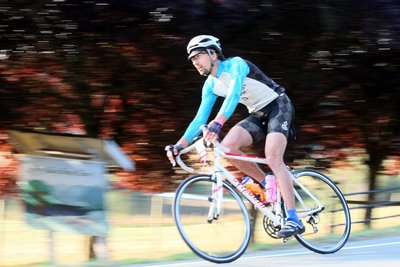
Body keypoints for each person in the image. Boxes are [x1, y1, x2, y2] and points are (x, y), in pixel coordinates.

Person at [166, 35, 304, 238]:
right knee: (228, 149)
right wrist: (179, 145)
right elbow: (199, 119)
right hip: (257, 112)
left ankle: (293, 219)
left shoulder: (235, 65)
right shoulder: (210, 85)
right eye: (192, 59)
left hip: (278, 105)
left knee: (273, 157)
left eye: (198, 56)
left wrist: (217, 123)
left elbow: (233, 94)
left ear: (213, 53)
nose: (195, 62)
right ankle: (267, 183)